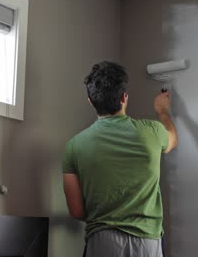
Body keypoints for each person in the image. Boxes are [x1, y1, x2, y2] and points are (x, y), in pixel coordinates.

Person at [62, 61, 178, 257]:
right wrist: (162, 111)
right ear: (124, 97)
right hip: (146, 243)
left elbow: (76, 211)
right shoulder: (152, 131)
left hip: (102, 243)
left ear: (91, 101)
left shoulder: (74, 146)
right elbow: (172, 139)